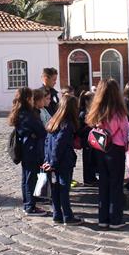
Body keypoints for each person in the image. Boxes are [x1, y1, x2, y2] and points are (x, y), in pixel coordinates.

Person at [86, 79, 129, 229]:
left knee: (103, 184)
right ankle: (115, 219)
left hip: (100, 149)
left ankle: (103, 218)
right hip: (116, 149)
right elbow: (125, 132)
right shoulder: (119, 111)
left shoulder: (97, 110)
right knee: (116, 185)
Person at [42, 94, 83, 226]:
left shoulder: (53, 121)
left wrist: (47, 160)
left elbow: (47, 143)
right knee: (64, 188)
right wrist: (52, 162)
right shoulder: (67, 124)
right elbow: (59, 144)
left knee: (56, 189)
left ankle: (57, 214)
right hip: (62, 162)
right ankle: (67, 215)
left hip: (53, 161)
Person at [9, 87, 48, 216]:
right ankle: (30, 206)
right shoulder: (27, 114)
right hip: (31, 149)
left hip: (27, 148)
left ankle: (28, 203)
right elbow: (41, 131)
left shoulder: (20, 112)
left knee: (26, 178)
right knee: (30, 178)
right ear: (27, 99)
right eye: (31, 98)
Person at [78, 91, 97, 186]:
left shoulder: (91, 112)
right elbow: (79, 130)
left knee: (93, 159)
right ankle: (87, 179)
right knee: (87, 160)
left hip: (93, 140)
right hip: (86, 140)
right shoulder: (83, 113)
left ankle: (92, 177)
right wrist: (89, 126)